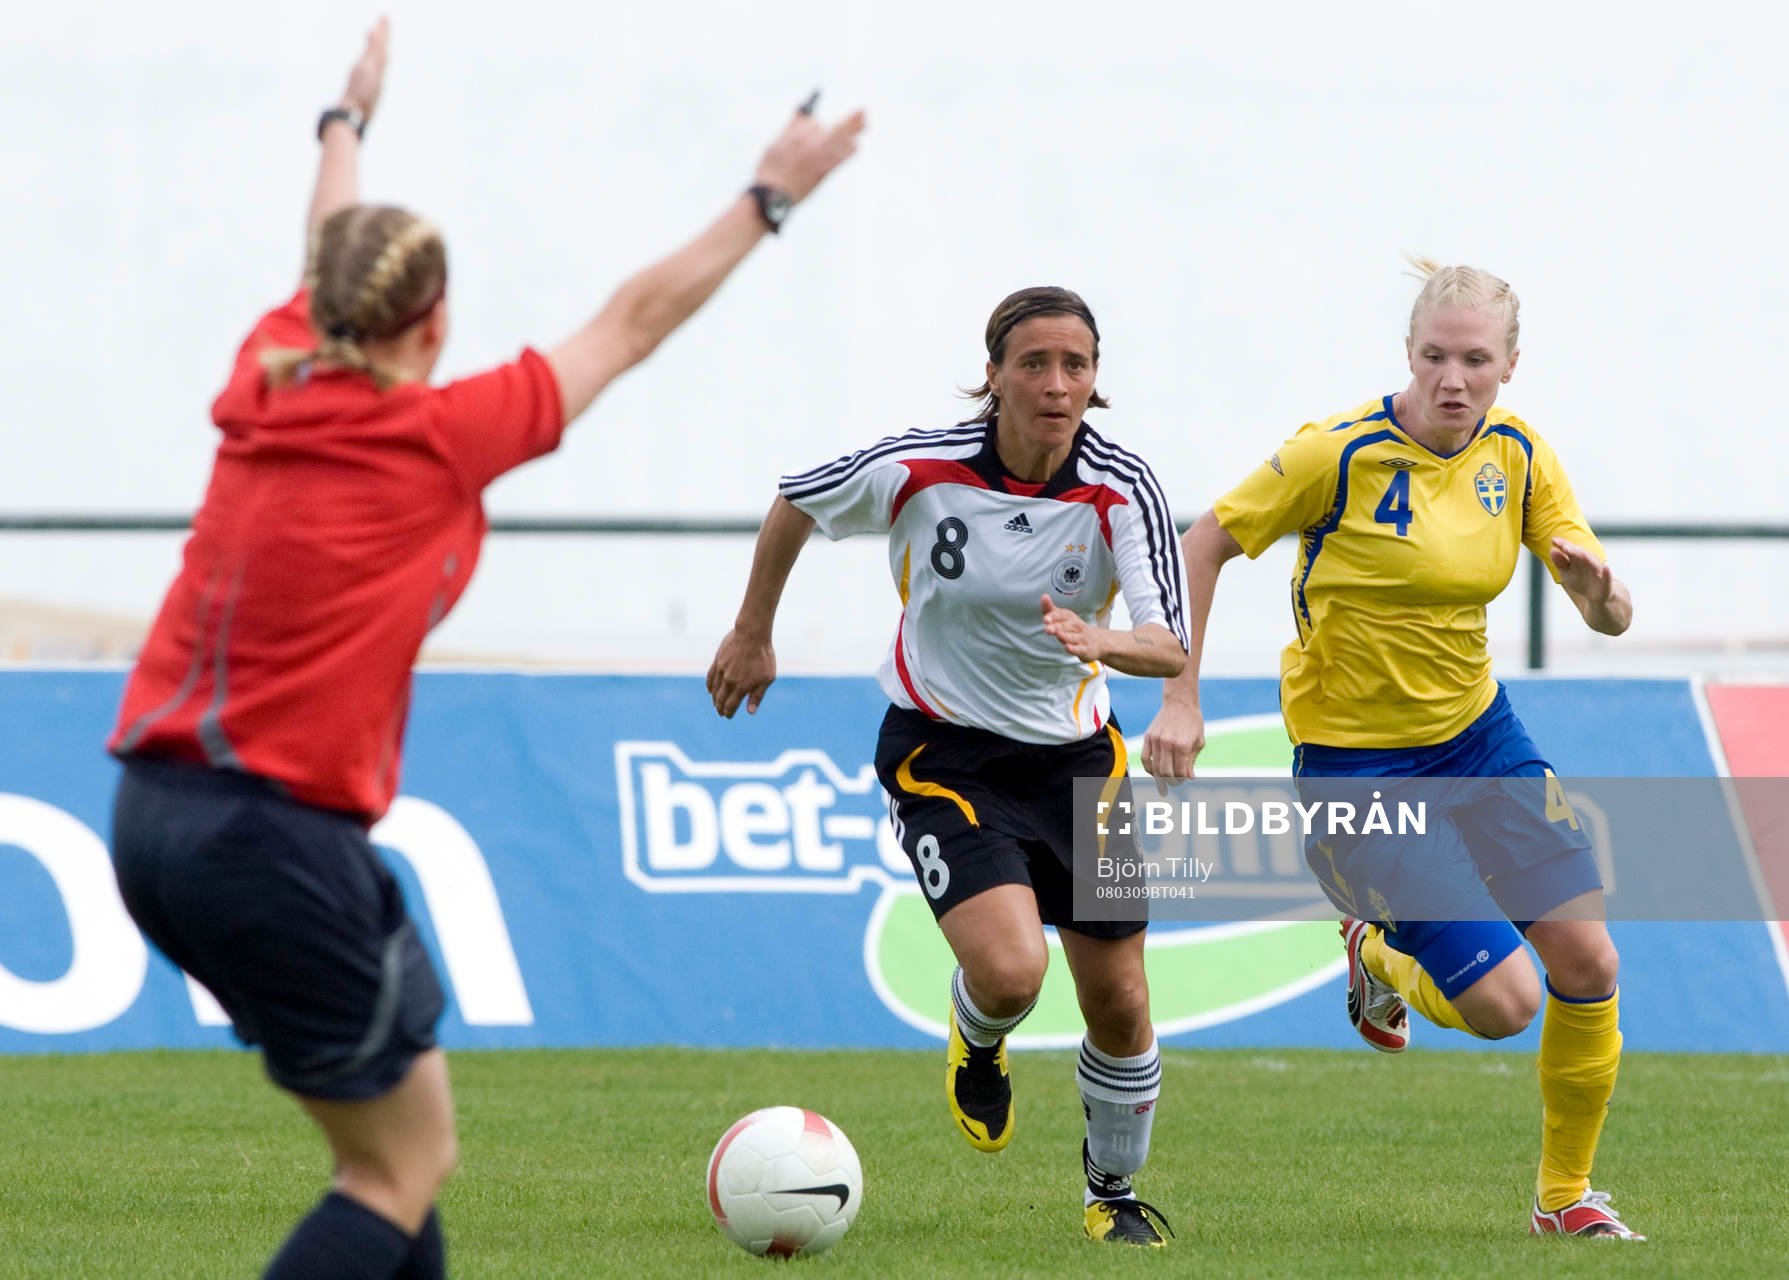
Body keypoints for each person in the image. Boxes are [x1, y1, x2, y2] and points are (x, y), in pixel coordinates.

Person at [105, 21, 863, 1279]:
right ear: (432, 319)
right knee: (393, 1170)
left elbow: (328, 244)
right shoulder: (440, 436)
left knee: (409, 1160)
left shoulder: (269, 374)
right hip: (268, 837)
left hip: (155, 813)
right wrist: (771, 193)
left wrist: (342, 124)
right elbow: (633, 320)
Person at [1142, 258, 1642, 1239]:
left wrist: (1597, 594)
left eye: (1474, 359)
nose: (1452, 378)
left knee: (1587, 956)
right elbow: (1198, 544)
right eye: (1433, 356)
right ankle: (1371, 948)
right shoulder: (1335, 454)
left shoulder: (1520, 455)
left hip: (1480, 738)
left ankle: (1564, 1197)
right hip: (1357, 768)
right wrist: (1180, 691)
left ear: (1509, 363)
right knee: (1505, 1004)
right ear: (1406, 353)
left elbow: (1612, 611)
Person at [707, 286, 1191, 1247]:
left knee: (1121, 999)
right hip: (945, 752)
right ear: (994, 375)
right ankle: (978, 1039)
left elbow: (1167, 646)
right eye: (1034, 364)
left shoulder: (1122, 486)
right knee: (1012, 974)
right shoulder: (918, 468)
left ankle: (1111, 1194)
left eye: (1076, 367)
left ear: (1096, 382)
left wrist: (1101, 637)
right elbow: (796, 500)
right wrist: (752, 629)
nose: (1056, 386)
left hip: (1078, 763)